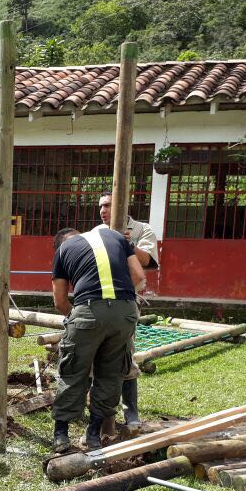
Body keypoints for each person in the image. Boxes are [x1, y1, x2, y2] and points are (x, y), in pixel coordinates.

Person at [51, 225, 145, 452]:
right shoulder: (116, 237)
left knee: (73, 370)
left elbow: (60, 302)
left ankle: (61, 435)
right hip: (125, 312)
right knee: (112, 373)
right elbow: (139, 276)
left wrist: (79, 318)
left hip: (88, 310)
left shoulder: (63, 250)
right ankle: (93, 434)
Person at [96, 191, 158, 425]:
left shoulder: (142, 230)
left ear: (122, 206)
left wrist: (125, 241)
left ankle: (130, 411)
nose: (103, 210)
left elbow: (146, 261)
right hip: (98, 300)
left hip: (125, 300)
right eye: (101, 206)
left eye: (109, 205)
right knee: (96, 355)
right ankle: (100, 413)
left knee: (124, 354)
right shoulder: (96, 233)